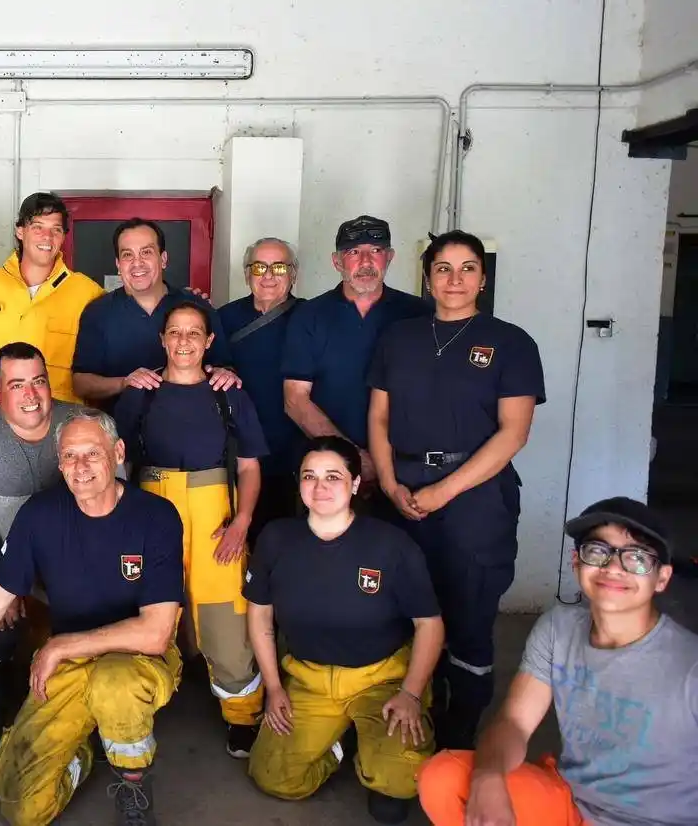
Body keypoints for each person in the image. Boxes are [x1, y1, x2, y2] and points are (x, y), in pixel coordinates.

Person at [0, 409, 185, 826]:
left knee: (114, 684)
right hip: (71, 665)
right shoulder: (40, 515)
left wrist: (62, 644)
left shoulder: (155, 516)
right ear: (59, 462)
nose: (80, 468)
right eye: (69, 457)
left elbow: (156, 634)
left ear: (117, 453)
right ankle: (81, 752)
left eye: (92, 454)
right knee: (19, 804)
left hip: (136, 659)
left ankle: (133, 784)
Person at [368, 230, 545, 750]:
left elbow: (513, 431)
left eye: (467, 268)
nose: (454, 279)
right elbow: (378, 417)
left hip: (476, 496)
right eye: (442, 268)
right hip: (400, 490)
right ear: (426, 278)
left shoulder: (511, 342)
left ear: (483, 279)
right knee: (401, 607)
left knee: (468, 613)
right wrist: (391, 481)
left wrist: (444, 492)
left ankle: (458, 732)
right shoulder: (398, 338)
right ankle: (401, 718)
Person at [418, 497, 698, 826]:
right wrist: (488, 776)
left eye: (637, 557)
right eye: (598, 551)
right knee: (444, 779)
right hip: (573, 807)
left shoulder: (689, 664)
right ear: (576, 562)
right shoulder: (558, 628)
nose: (613, 567)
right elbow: (514, 723)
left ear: (662, 578)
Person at [245, 436, 444, 824]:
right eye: (309, 476)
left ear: (354, 484)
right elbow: (259, 616)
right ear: (298, 483)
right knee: (273, 778)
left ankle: (377, 745)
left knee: (399, 784)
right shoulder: (277, 539)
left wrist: (411, 693)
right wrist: (273, 687)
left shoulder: (390, 545)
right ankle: (341, 744)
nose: (319, 487)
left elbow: (429, 624)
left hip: (381, 679)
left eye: (333, 476)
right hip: (309, 679)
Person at [114, 301, 268, 759]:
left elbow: (250, 466)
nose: (184, 341)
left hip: (214, 516)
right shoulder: (141, 391)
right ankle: (132, 705)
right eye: (175, 333)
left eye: (194, 333)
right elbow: (117, 459)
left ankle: (242, 715)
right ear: (162, 339)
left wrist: (242, 523)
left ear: (209, 341)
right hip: (152, 507)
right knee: (146, 605)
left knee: (225, 615)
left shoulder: (229, 392)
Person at [0, 341, 82, 735]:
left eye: (38, 381)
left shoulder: (81, 426)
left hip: (77, 568)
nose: (31, 395)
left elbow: (118, 507)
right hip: (13, 570)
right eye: (17, 385)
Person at [282, 215, 429, 493]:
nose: (365, 262)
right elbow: (295, 400)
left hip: (405, 470)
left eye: (375, 251)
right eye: (353, 252)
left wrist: (386, 464)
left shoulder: (417, 314)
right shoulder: (310, 316)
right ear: (337, 261)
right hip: (329, 472)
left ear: (389, 257)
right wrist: (355, 459)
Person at [73, 218, 236, 408]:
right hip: (118, 432)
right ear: (118, 264)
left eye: (147, 252)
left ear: (163, 259)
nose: (137, 263)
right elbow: (80, 384)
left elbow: (224, 366)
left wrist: (224, 374)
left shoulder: (198, 307)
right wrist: (124, 382)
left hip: (189, 427)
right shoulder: (98, 313)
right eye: (127, 255)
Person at [0, 192, 104, 406]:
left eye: (56, 229)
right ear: (20, 231)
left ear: (64, 236)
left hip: (59, 413)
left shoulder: (87, 292)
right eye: (38, 227)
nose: (47, 237)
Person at [218, 236, 306, 531]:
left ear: (294, 274)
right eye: (259, 267)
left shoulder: (312, 316)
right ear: (246, 274)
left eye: (279, 268)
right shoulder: (223, 318)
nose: (268, 276)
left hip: (296, 447)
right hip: (238, 449)